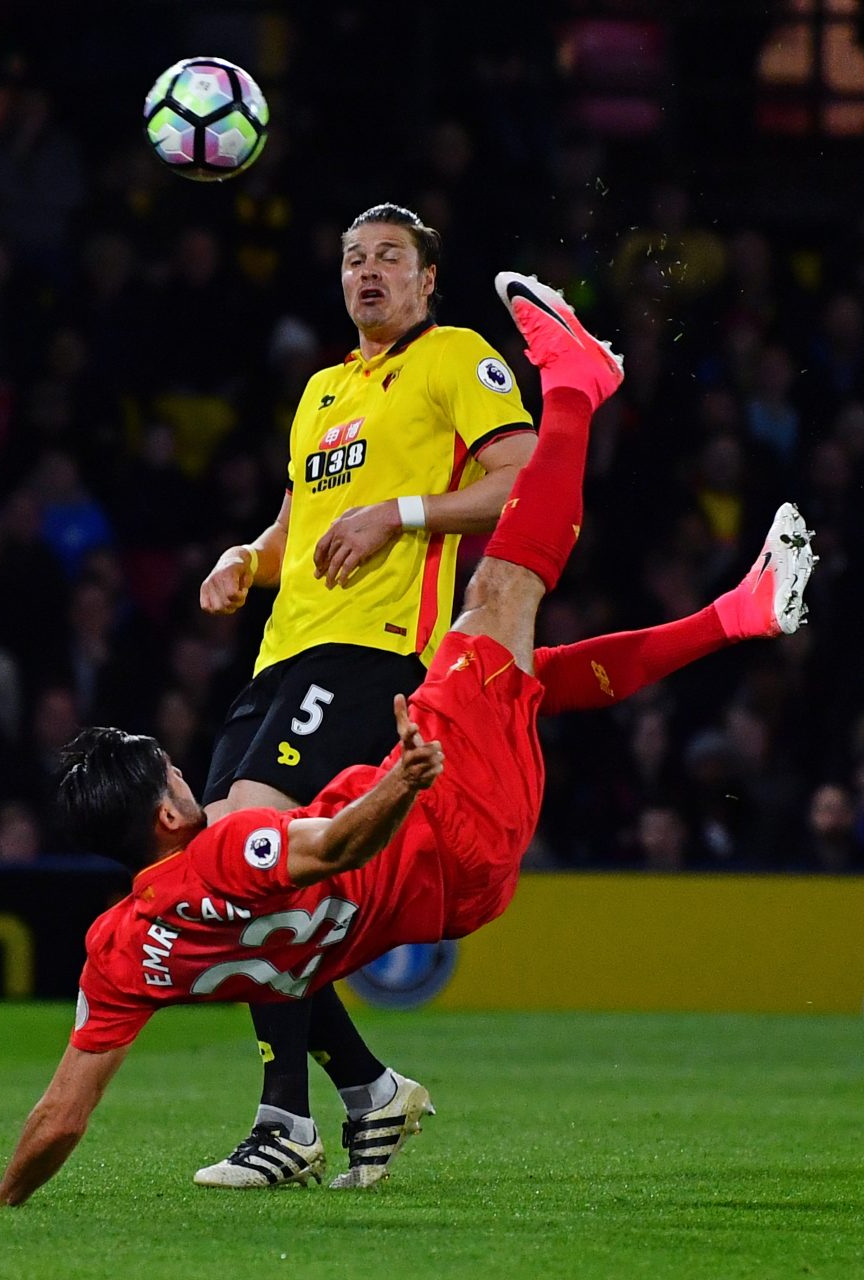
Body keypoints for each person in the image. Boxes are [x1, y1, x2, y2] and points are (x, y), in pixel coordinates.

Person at [0, 274, 816, 1208]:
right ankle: (578, 382)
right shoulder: (229, 847)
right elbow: (330, 843)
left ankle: (739, 613)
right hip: (447, 817)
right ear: (171, 809)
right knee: (496, 599)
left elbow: (63, 1113)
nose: (192, 773)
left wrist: (5, 1193)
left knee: (519, 676)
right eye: (176, 771)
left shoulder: (121, 950)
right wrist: (406, 779)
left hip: (449, 894)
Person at [189, 204, 540, 1189]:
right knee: (230, 873)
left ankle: (284, 1122)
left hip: (375, 652)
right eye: (353, 258)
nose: (369, 272)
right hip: (279, 662)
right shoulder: (322, 391)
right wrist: (242, 558)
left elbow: (523, 482)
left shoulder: (454, 358)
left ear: (429, 280)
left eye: (391, 257)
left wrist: (404, 512)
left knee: (253, 854)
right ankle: (369, 1087)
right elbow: (298, 523)